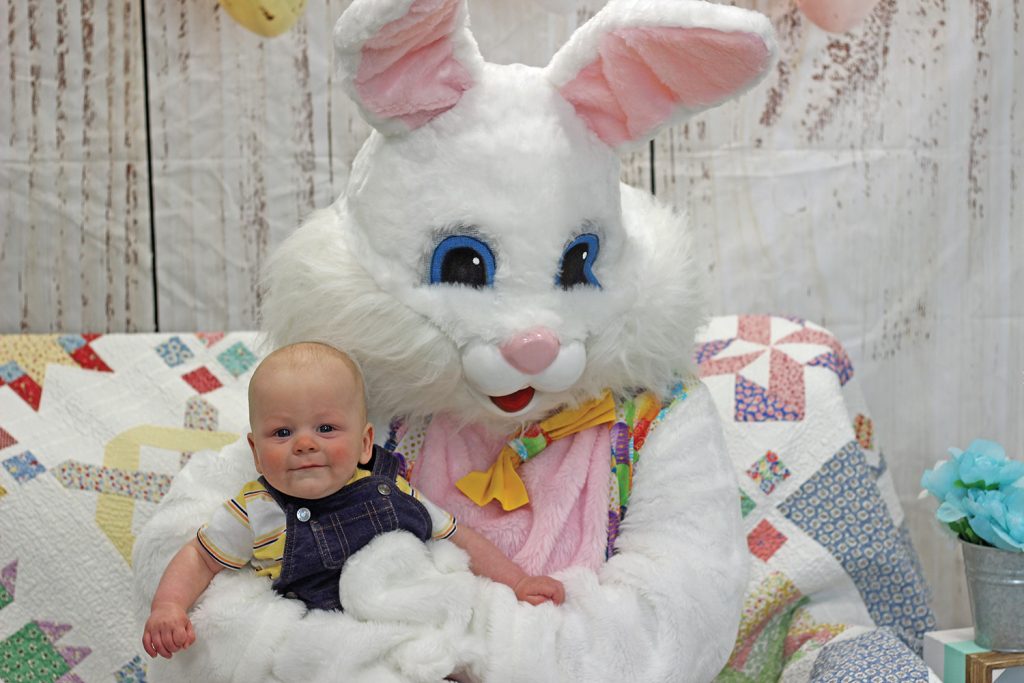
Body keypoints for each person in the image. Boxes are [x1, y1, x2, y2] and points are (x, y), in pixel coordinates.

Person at [142, 341, 565, 659]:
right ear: (255, 451)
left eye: (326, 428)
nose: (305, 444)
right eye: (282, 433)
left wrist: (519, 582)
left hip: (406, 625)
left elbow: (460, 538)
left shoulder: (390, 491)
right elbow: (200, 556)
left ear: (365, 444)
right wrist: (169, 606)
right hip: (327, 644)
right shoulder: (256, 510)